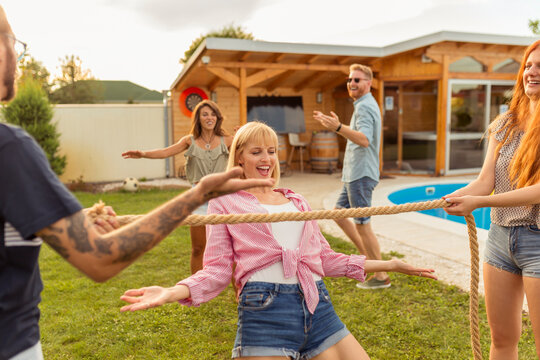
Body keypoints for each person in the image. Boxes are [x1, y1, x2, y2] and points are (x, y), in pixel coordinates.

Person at [0, 7, 273, 359]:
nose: (20, 54)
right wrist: (199, 194)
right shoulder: (10, 149)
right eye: (12, 40)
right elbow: (101, 259)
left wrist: (67, 219)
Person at [120, 121, 437, 360]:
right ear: (239, 158)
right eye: (256, 151)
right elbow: (216, 271)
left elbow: (324, 259)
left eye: (271, 151)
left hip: (318, 307)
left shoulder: (296, 201)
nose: (267, 158)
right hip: (266, 311)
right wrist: (173, 291)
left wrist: (390, 265)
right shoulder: (226, 204)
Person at [444, 39, 540, 360]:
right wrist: (456, 196)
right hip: (500, 239)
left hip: (537, 242)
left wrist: (479, 204)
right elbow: (485, 181)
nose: (532, 71)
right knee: (501, 340)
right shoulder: (505, 124)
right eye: (528, 65)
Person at [122, 99, 233, 274]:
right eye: (205, 114)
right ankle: (197, 290)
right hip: (199, 200)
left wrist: (245, 134)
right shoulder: (189, 141)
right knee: (198, 248)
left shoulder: (228, 140)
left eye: (213, 114)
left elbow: (250, 148)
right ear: (198, 118)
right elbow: (166, 152)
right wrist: (143, 154)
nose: (209, 117)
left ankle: (239, 292)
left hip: (224, 199)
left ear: (218, 118)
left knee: (230, 249)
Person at [313, 64, 389, 290]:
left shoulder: (365, 107)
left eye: (357, 79)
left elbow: (364, 139)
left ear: (368, 83)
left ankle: (381, 275)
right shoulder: (363, 104)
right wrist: (338, 126)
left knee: (363, 224)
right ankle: (368, 259)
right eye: (349, 80)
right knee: (338, 214)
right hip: (354, 174)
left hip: (361, 174)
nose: (352, 83)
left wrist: (338, 126)